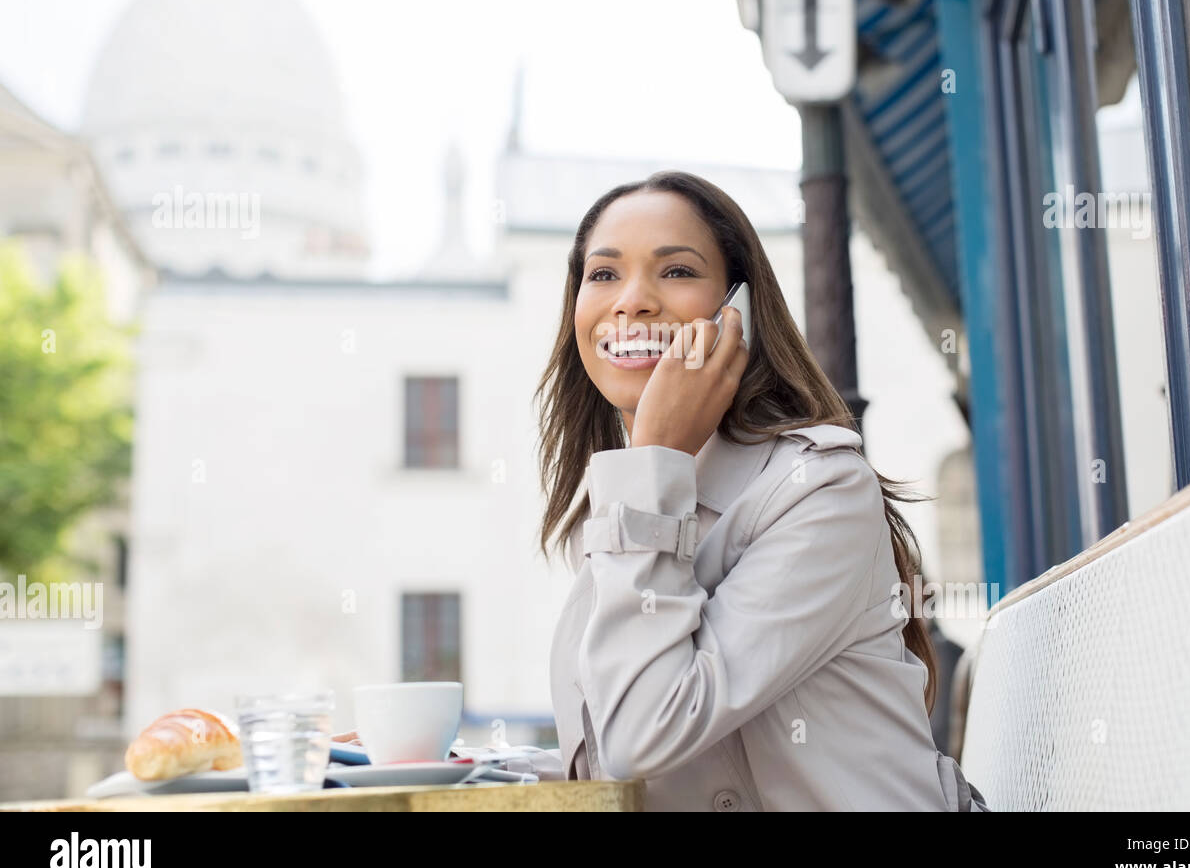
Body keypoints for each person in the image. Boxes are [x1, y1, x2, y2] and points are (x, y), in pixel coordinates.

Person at [337, 171, 991, 811]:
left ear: (738, 314)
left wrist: (655, 457)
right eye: (603, 274)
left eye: (676, 271)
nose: (632, 300)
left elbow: (643, 738)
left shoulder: (818, 490)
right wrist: (447, 768)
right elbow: (615, 759)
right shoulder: (634, 500)